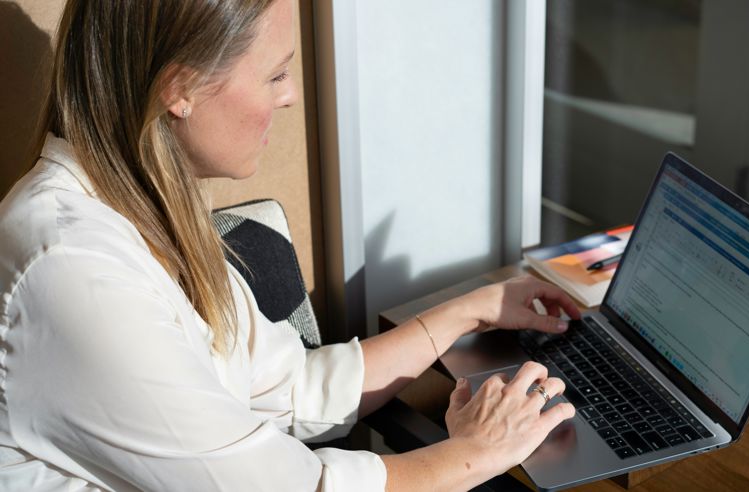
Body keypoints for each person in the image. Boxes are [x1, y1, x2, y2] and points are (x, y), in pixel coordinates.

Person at [0, 1, 580, 490]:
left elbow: (289, 387)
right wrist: (476, 454)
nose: (291, 96)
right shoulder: (74, 269)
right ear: (181, 88)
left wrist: (470, 310)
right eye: (276, 74)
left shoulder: (144, 205)